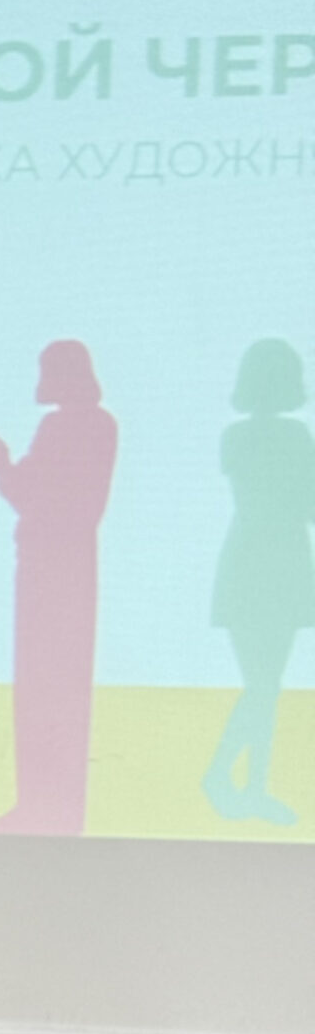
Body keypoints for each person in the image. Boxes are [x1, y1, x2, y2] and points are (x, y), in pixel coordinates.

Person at [0, 340, 118, 836]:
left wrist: (6, 470)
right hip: (67, 566)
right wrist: (9, 469)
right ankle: (49, 807)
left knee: (45, 687)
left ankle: (44, 807)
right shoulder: (97, 425)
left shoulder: (67, 427)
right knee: (54, 688)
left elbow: (36, 497)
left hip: (51, 567)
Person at [203, 337, 315, 827]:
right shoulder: (294, 437)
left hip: (250, 563)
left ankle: (249, 788)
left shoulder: (235, 437)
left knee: (264, 686)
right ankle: (227, 779)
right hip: (277, 566)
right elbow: (306, 505)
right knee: (266, 686)